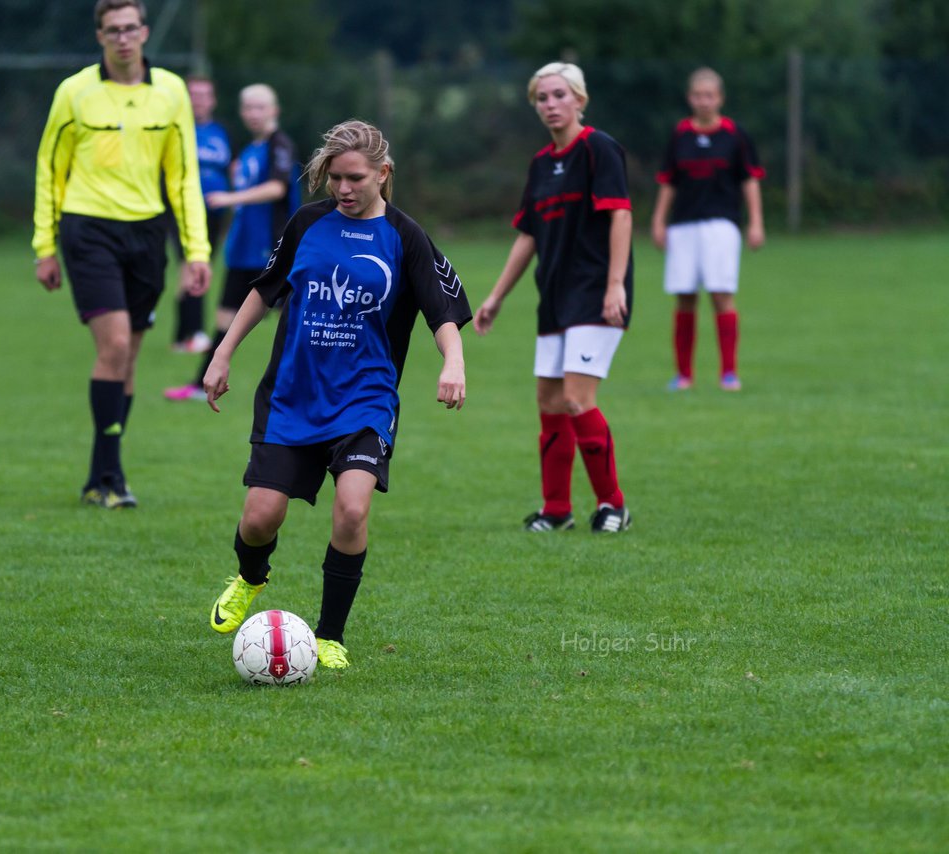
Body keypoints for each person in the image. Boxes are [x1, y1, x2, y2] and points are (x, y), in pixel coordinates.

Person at [202, 119, 470, 669]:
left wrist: (454, 361)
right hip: (293, 395)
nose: (343, 189)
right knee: (259, 519)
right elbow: (264, 291)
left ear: (383, 174)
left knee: (351, 510)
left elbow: (442, 311)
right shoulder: (307, 223)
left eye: (354, 178)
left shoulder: (405, 236)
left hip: (365, 399)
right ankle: (252, 577)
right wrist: (223, 353)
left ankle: (329, 635)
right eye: (333, 178)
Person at [32, 0, 211, 509]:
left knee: (129, 357)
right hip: (88, 230)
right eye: (113, 30)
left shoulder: (171, 91)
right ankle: (110, 474)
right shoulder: (75, 92)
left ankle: (101, 474)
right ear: (100, 37)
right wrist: (45, 245)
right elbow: (50, 169)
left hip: (147, 236)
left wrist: (195, 250)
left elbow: (183, 176)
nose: (124, 38)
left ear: (145, 32)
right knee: (112, 347)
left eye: (131, 28)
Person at [472, 62, 633, 534]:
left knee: (579, 398)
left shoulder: (599, 149)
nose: (550, 105)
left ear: (580, 100)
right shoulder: (542, 163)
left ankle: (613, 505)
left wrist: (615, 285)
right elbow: (529, 235)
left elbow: (620, 216)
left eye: (559, 95)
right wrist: (497, 295)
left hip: (596, 293)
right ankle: (556, 509)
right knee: (549, 400)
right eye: (542, 98)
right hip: (556, 297)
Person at [164, 83, 298, 402]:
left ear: (274, 110)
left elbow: (278, 189)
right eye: (247, 107)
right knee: (225, 319)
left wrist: (230, 196)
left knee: (296, 319)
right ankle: (201, 384)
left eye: (259, 107)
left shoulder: (280, 144)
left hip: (271, 250)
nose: (253, 113)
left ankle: (305, 388)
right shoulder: (251, 149)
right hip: (242, 250)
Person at [651, 67, 765, 392]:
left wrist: (755, 222)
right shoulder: (680, 135)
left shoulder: (735, 135)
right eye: (698, 95)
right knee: (685, 296)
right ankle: (683, 375)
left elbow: (750, 180)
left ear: (720, 98)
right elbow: (668, 181)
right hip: (683, 225)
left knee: (720, 294)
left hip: (721, 224)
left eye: (710, 95)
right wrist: (659, 220)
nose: (704, 101)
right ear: (690, 98)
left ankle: (728, 373)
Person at [171, 75, 231, 355]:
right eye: (193, 94)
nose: (198, 100)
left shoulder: (220, 132)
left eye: (204, 95)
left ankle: (181, 336)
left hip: (215, 211)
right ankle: (192, 333)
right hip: (184, 209)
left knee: (201, 269)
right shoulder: (176, 130)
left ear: (213, 100)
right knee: (190, 268)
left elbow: (230, 167)